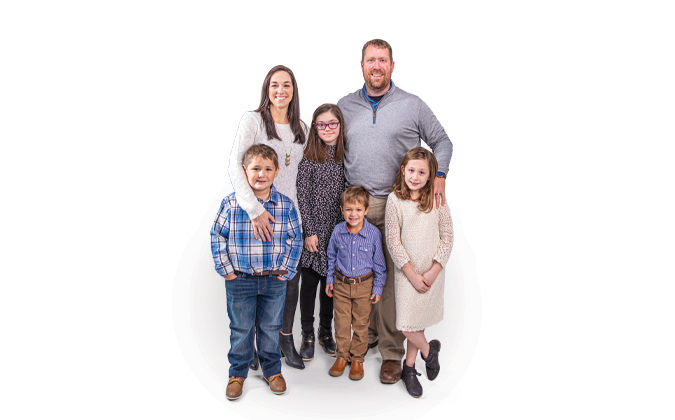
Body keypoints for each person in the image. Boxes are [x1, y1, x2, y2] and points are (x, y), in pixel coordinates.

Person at [337, 39, 453, 384]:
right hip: (354, 204)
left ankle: (391, 351)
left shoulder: (411, 105)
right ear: (361, 66)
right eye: (370, 60)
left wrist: (440, 176)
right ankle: (366, 337)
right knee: (357, 272)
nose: (376, 66)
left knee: (389, 280)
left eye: (382, 60)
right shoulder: (345, 105)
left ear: (391, 66)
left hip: (396, 204)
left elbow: (442, 142)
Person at [228, 65, 308, 369]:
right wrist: (255, 210)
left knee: (288, 279)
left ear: (293, 90)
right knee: (257, 280)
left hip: (291, 214)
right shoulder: (254, 121)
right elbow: (236, 166)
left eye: (287, 85)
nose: (280, 91)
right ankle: (254, 345)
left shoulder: (301, 126)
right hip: (259, 213)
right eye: (275, 85)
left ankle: (283, 339)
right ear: (267, 88)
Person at [211, 144, 303, 400]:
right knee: (241, 328)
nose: (261, 174)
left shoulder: (285, 205)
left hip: (274, 280)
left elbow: (295, 239)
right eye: (255, 169)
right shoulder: (231, 203)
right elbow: (217, 236)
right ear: (244, 171)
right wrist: (227, 271)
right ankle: (237, 373)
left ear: (275, 172)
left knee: (271, 327)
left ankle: (272, 370)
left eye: (267, 169)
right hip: (239, 279)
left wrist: (286, 271)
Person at [384, 147, 453, 397]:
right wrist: (411, 273)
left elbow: (447, 237)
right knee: (406, 325)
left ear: (430, 175)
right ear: (403, 170)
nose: (415, 176)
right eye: (411, 170)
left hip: (431, 272)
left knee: (418, 322)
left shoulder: (437, 199)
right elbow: (393, 240)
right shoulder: (395, 200)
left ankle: (409, 368)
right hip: (407, 273)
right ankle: (428, 351)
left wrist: (435, 269)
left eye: (422, 172)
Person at [295, 104, 346, 361]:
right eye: (322, 124)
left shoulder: (345, 156)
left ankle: (326, 331)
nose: (327, 129)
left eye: (332, 124)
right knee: (310, 285)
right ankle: (307, 334)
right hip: (314, 231)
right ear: (315, 128)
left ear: (340, 126)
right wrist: (309, 232)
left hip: (337, 231)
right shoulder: (309, 158)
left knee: (331, 286)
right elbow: (302, 196)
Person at [325, 186, 386, 381]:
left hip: (364, 286)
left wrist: (377, 287)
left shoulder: (373, 234)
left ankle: (357, 358)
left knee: (361, 323)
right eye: (349, 209)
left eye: (358, 210)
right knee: (341, 322)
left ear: (366, 210)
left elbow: (379, 264)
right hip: (341, 284)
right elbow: (331, 257)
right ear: (342, 210)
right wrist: (329, 280)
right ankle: (342, 356)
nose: (353, 214)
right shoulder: (338, 231)